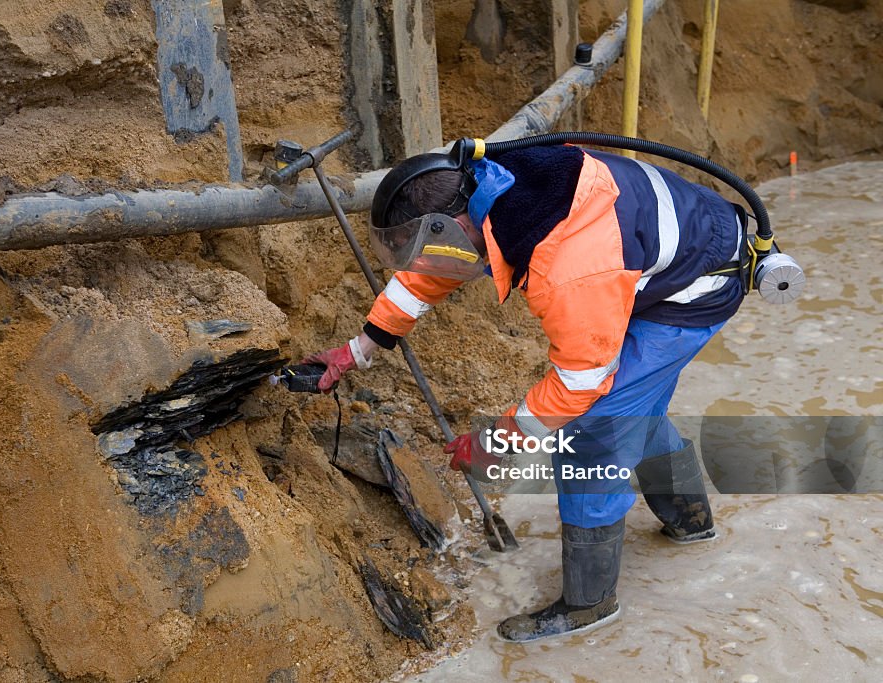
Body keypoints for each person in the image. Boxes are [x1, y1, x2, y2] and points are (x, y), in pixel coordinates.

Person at [303, 140, 745, 641]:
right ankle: (691, 524)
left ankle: (589, 605)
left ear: (454, 227)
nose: (429, 261)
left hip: (696, 287)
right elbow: (434, 270)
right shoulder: (490, 190)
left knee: (588, 435)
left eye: (429, 248)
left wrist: (498, 440)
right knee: (631, 411)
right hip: (657, 255)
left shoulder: (569, 266)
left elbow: (580, 382)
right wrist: (359, 348)